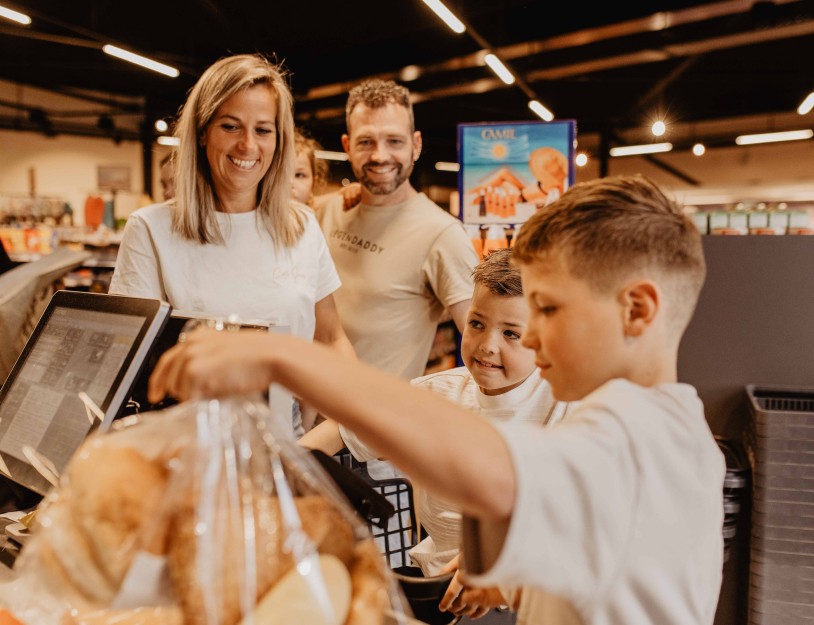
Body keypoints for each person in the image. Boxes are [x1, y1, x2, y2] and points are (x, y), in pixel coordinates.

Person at [149, 174, 725, 625]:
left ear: (638, 310)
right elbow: (606, 568)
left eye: (548, 310)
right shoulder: (651, 425)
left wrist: (287, 359)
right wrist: (518, 582)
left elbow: (491, 469)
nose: (531, 335)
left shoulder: (646, 433)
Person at [109, 54, 354, 435]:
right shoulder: (151, 229)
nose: (247, 146)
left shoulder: (301, 225)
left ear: (279, 139)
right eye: (230, 126)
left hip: (289, 443)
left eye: (263, 130)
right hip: (188, 444)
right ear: (203, 131)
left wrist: (344, 425)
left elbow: (330, 337)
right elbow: (126, 364)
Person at [305, 78, 478, 458]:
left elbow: (483, 342)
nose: (380, 154)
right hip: (299, 421)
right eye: (366, 141)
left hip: (370, 446)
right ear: (348, 146)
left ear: (415, 145)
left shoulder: (442, 234)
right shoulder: (326, 213)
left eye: (395, 141)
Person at [408, 248, 568, 618]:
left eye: (512, 333)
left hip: (527, 594)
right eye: (477, 323)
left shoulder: (566, 406)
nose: (487, 345)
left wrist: (498, 561)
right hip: (437, 591)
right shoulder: (435, 393)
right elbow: (348, 427)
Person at [291, 129, 329, 208]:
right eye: (281, 175)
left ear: (314, 182)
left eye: (299, 175)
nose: (290, 183)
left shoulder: (310, 215)